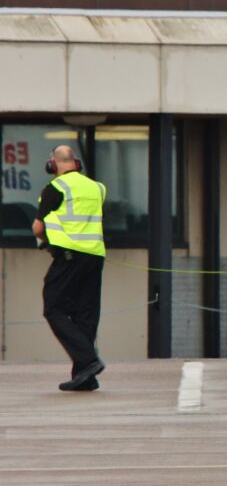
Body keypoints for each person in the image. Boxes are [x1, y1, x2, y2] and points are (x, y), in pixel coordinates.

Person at [31, 145, 108, 392]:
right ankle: (85, 377)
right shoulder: (97, 188)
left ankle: (88, 360)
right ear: (76, 163)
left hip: (69, 256)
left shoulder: (54, 189)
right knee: (85, 314)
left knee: (53, 308)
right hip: (94, 256)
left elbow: (38, 228)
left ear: (53, 164)